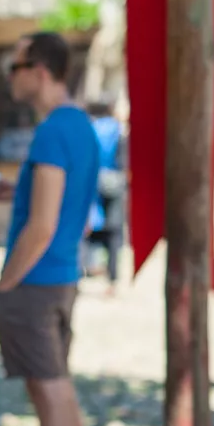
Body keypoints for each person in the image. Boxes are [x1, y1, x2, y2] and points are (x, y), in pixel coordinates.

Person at [0, 32, 100, 426]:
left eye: (14, 67)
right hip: (63, 273)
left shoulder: (51, 131)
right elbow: (69, 201)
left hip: (37, 278)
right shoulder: (80, 125)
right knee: (57, 388)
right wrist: (17, 188)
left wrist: (7, 283)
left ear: (39, 71)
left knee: (51, 393)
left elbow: (41, 225)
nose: (9, 78)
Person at [85, 100, 126, 295]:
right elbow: (124, 160)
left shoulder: (91, 130)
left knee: (91, 228)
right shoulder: (118, 131)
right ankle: (112, 279)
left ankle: (89, 267)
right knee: (113, 233)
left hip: (93, 183)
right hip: (115, 185)